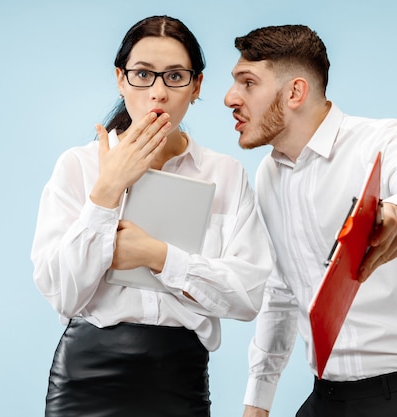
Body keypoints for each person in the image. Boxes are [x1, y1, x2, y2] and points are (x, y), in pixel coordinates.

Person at [30, 15, 272, 417]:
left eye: (175, 76)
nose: (158, 92)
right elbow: (61, 292)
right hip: (86, 378)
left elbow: (249, 295)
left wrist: (157, 256)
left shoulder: (224, 174)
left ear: (196, 86)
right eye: (143, 74)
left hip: (180, 378)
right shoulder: (78, 166)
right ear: (121, 79)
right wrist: (107, 191)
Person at [224, 24, 397, 417]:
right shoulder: (269, 176)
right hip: (328, 397)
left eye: (248, 83)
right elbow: (283, 293)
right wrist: (258, 400)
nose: (230, 98)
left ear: (295, 92)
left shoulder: (380, 140)